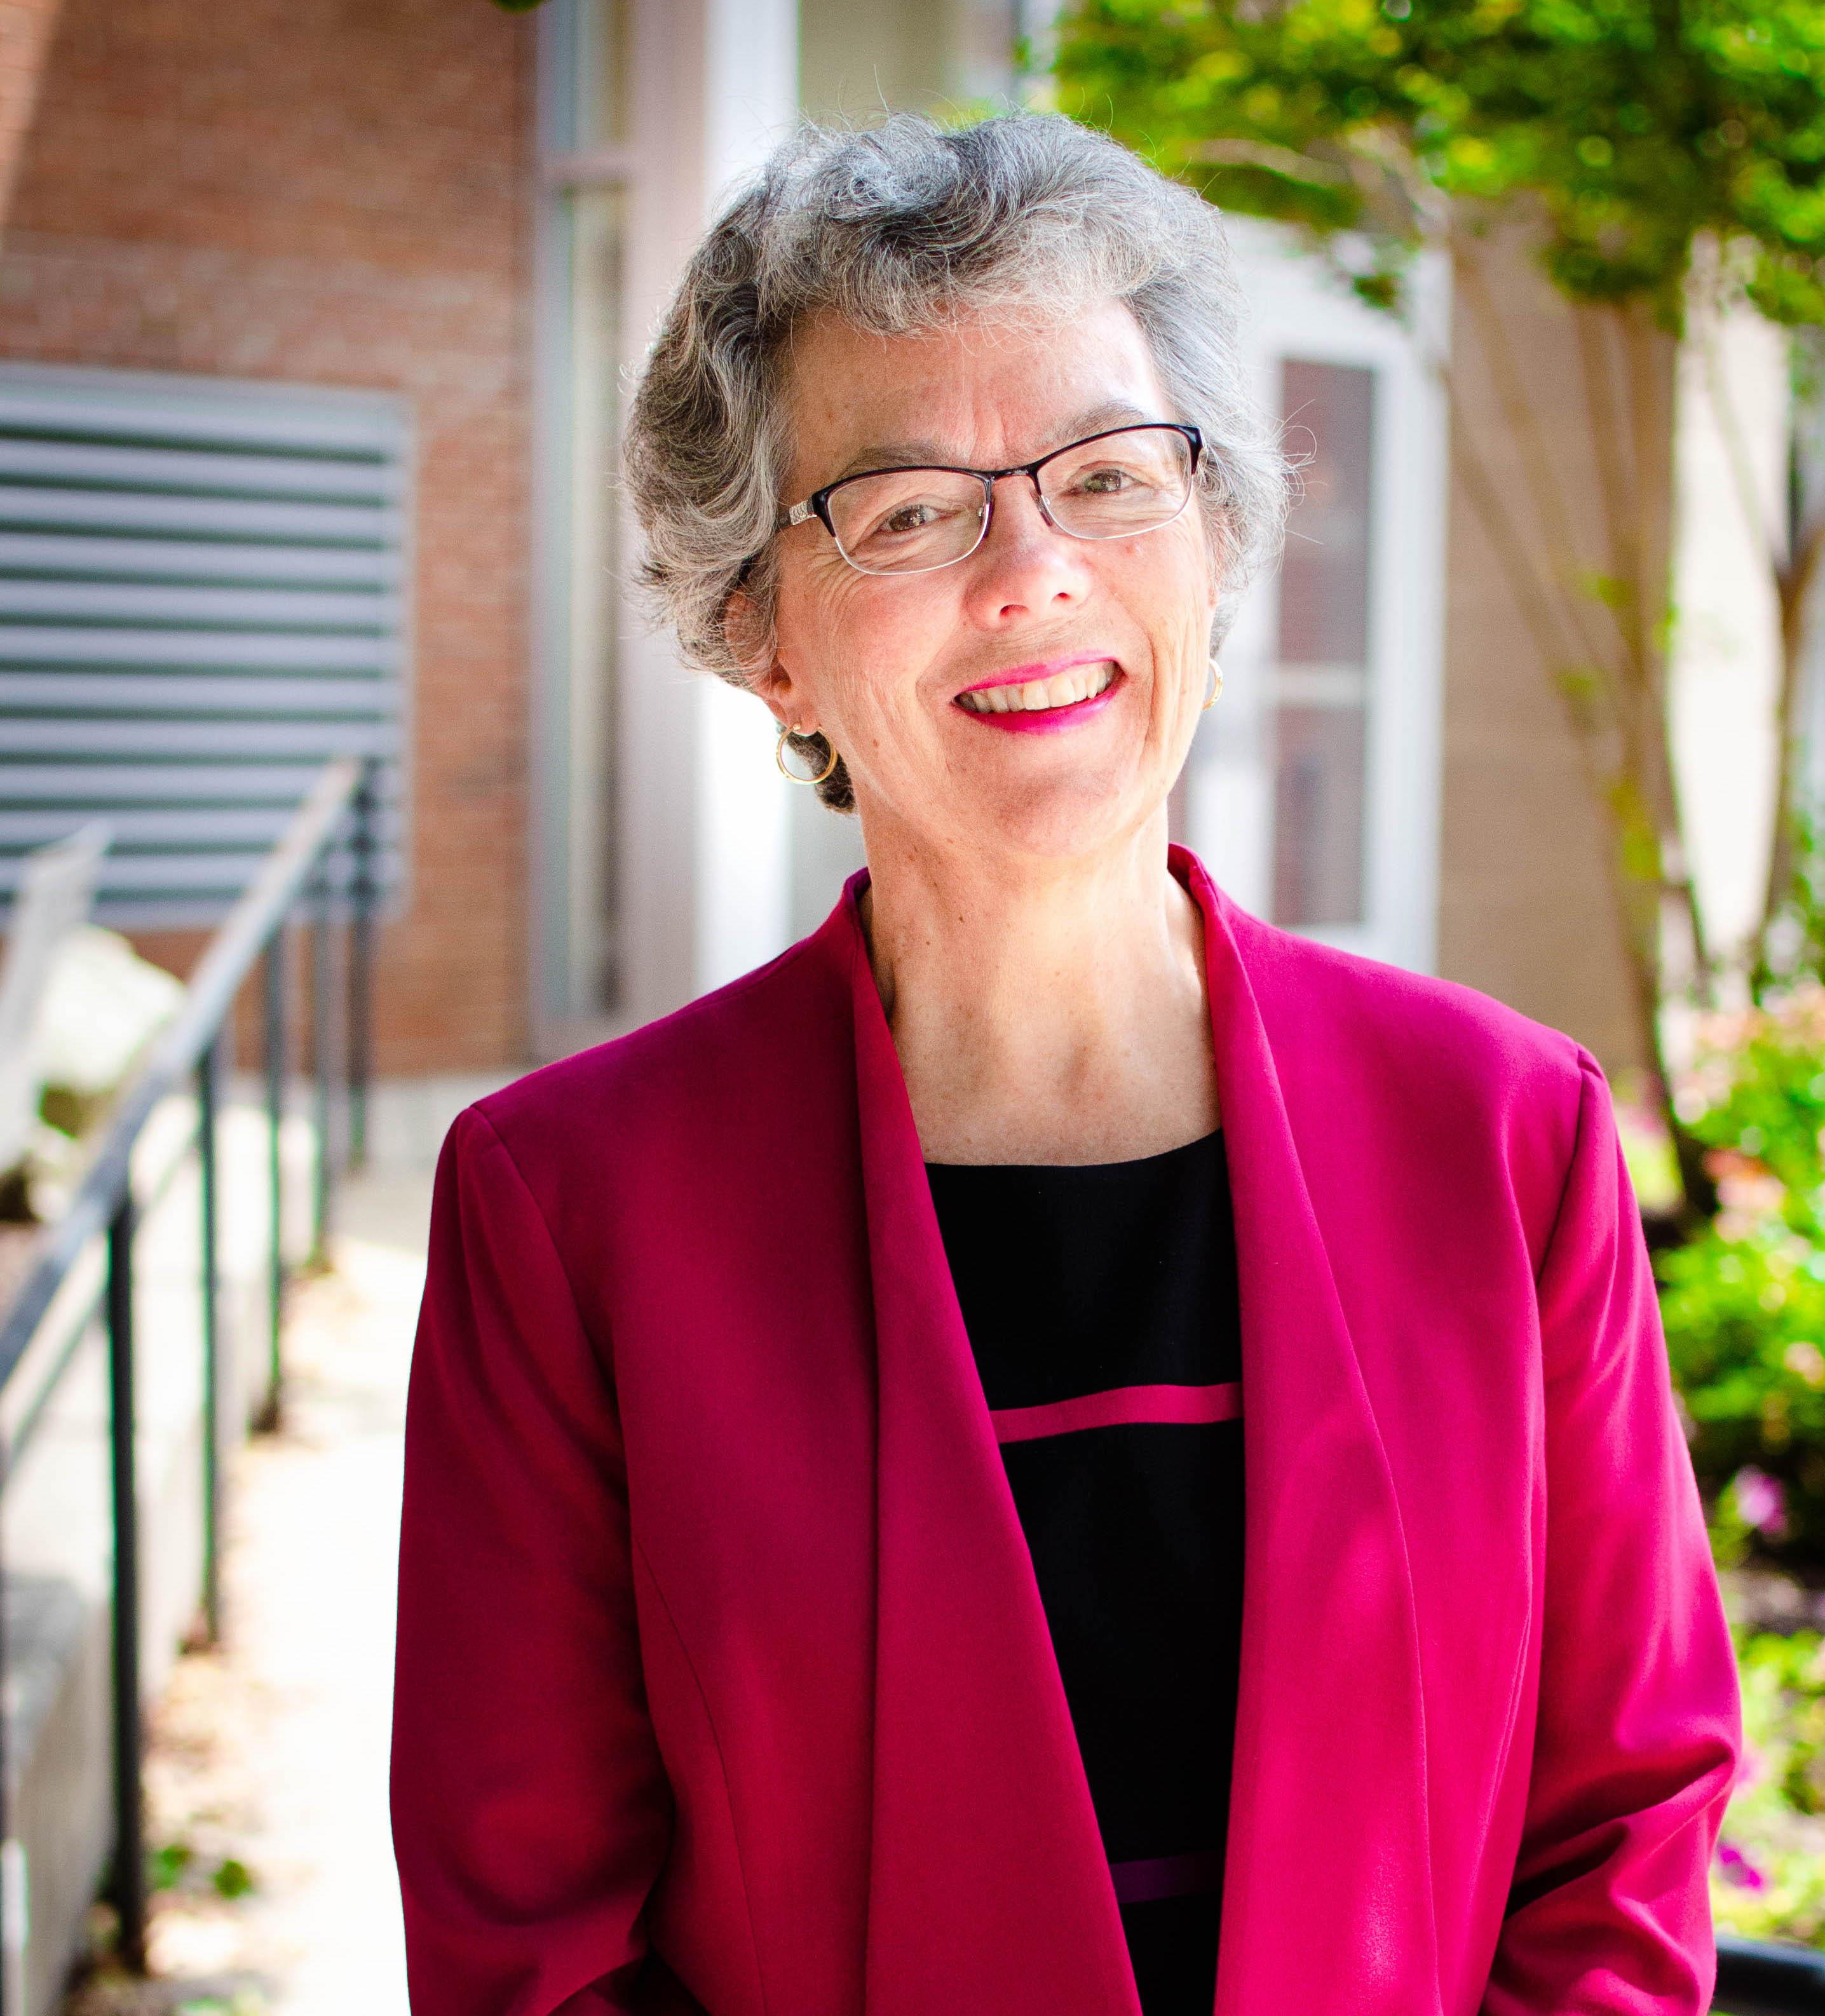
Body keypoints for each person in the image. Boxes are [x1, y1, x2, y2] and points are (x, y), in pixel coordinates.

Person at [391, 112, 1739, 2016]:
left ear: (1214, 541)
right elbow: (533, 1946)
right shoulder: (570, 1212)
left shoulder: (1508, 1138)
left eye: (1108, 476)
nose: (1033, 571)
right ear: (764, 638)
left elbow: (1628, 1821)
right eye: (913, 506)